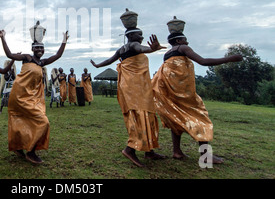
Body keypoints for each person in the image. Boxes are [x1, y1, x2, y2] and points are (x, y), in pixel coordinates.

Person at [152, 31, 243, 164]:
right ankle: (205, 155)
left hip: (172, 93)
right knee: (201, 118)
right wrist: (229, 59)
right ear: (178, 41)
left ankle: (177, 151)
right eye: (185, 39)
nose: (187, 42)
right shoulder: (182, 48)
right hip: (184, 94)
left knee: (176, 120)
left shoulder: (167, 54)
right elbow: (203, 61)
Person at [91, 28, 166, 168]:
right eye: (139, 34)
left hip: (136, 87)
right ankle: (129, 150)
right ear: (130, 36)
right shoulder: (132, 45)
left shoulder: (121, 49)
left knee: (146, 115)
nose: (142, 37)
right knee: (140, 116)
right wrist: (151, 49)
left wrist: (97, 65)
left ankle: (149, 151)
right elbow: (141, 48)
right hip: (135, 88)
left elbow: (109, 60)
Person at [0, 29, 69, 164]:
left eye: (41, 48)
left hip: (33, 97)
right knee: (25, 120)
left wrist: (64, 40)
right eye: (36, 48)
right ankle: (30, 152)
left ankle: (19, 147)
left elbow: (58, 55)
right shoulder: (26, 58)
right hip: (19, 95)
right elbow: (9, 54)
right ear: (32, 48)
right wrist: (3, 38)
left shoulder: (42, 63)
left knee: (37, 121)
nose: (39, 50)